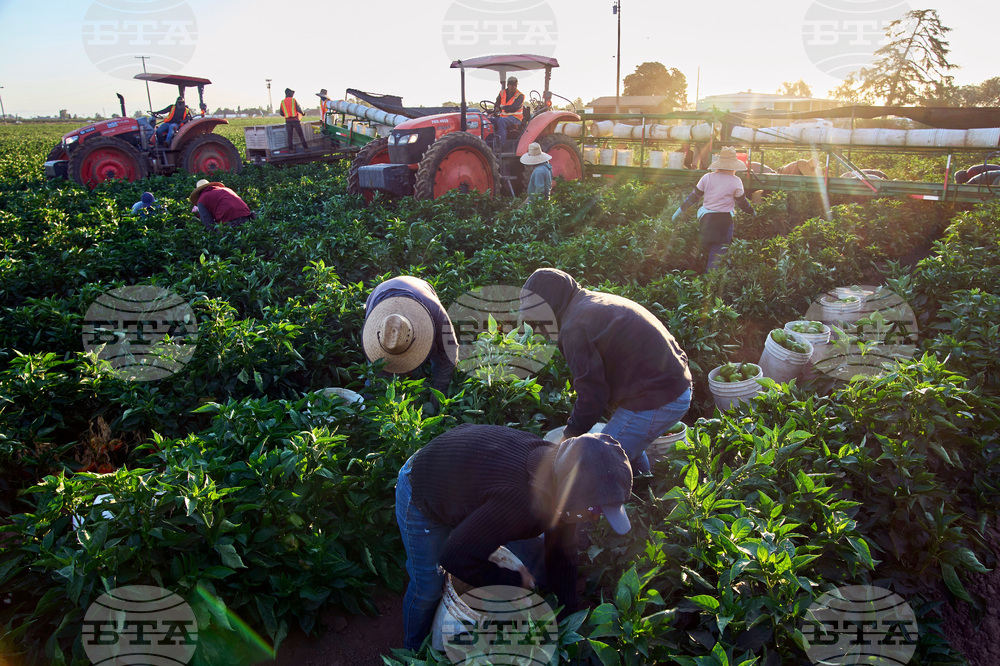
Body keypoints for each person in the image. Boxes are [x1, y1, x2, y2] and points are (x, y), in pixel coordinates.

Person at [396, 424, 633, 651]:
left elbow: (562, 552)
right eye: (596, 510)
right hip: (424, 486)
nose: (595, 518)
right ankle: (413, 651)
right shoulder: (519, 502)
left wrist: (568, 617)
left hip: (469, 482)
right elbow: (455, 558)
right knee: (427, 586)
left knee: (541, 566)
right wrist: (513, 582)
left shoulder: (562, 471)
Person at [520, 268, 692, 476]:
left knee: (601, 460)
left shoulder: (574, 328)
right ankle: (643, 492)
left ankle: (619, 505)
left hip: (660, 398)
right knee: (627, 444)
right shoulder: (588, 301)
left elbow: (592, 394)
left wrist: (568, 438)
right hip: (673, 384)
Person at [362, 276, 459, 394]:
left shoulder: (434, 309)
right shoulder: (373, 315)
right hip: (378, 293)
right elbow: (376, 366)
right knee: (378, 375)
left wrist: (439, 389)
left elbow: (449, 350)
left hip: (420, 290)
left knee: (438, 355)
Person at [671, 146, 755, 271]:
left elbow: (693, 197)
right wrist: (752, 212)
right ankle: (709, 286)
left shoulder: (707, 177)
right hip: (724, 223)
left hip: (706, 221)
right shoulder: (736, 181)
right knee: (716, 258)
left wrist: (678, 211)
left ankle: (693, 282)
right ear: (734, 167)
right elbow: (742, 203)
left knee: (702, 253)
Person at [491, 76, 524, 147]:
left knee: (501, 121)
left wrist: (504, 108)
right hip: (504, 117)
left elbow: (514, 107)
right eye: (512, 85)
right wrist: (496, 108)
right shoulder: (502, 93)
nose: (514, 87)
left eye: (515, 85)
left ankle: (500, 146)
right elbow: (497, 103)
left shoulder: (520, 96)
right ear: (508, 85)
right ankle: (488, 143)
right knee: (487, 120)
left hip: (516, 119)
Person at [279, 88, 309, 152]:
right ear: (290, 94)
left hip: (288, 121)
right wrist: (303, 113)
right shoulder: (293, 100)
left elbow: (281, 113)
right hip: (295, 120)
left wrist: (287, 114)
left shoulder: (282, 102)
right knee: (300, 135)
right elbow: (298, 109)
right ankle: (306, 148)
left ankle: (291, 150)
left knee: (290, 136)